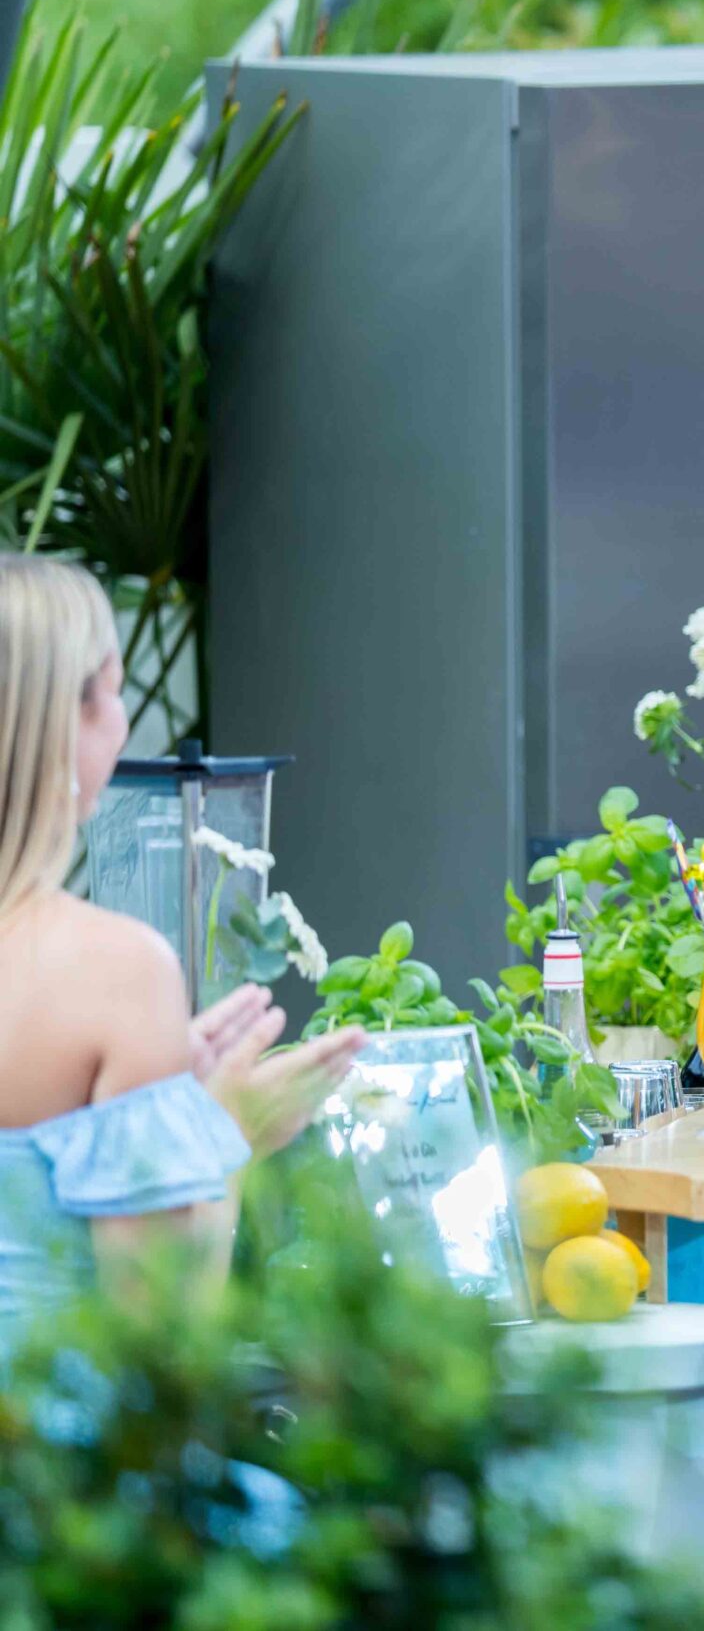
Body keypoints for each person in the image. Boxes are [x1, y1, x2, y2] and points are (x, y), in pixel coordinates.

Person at [0, 555, 360, 1355]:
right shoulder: (115, 970)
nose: (123, 719)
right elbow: (160, 1348)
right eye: (110, 690)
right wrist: (224, 1133)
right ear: (64, 722)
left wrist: (158, 1107)